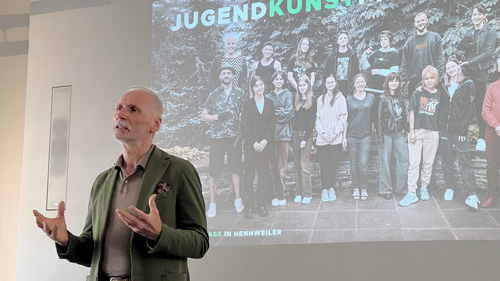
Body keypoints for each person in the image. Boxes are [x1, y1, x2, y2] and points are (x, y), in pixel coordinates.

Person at [33, 86, 209, 281]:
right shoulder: (102, 181)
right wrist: (65, 240)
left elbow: (199, 242)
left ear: (155, 124)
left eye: (133, 109)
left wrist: (160, 234)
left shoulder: (179, 170)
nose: (120, 114)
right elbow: (91, 251)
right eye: (119, 108)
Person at [202, 63, 247, 218]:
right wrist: (218, 117)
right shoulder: (213, 95)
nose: (226, 75)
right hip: (217, 138)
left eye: (229, 73)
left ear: (233, 76)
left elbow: (246, 114)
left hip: (234, 137)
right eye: (224, 73)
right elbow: (204, 116)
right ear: (220, 76)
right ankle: (213, 203)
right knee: (214, 171)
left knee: (236, 169)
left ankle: (238, 200)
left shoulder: (240, 93)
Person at [437, 57, 479, 209]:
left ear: (458, 67)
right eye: (448, 68)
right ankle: (450, 187)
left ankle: (472, 194)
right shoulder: (442, 84)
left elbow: (470, 108)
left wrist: (463, 128)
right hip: (444, 128)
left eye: (453, 66)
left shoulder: (468, 84)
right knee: (446, 158)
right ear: (445, 70)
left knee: (464, 159)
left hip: (460, 129)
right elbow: (426, 86)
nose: (451, 70)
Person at [400, 66, 441, 207]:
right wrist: (411, 130)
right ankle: (411, 192)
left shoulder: (440, 94)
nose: (429, 81)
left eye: (431, 78)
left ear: (436, 79)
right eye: (426, 78)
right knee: (414, 163)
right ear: (423, 80)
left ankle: (424, 187)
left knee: (428, 163)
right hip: (417, 131)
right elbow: (412, 112)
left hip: (433, 132)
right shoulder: (418, 92)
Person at [459, 3, 497, 152]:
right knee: (464, 104)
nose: (476, 17)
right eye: (474, 14)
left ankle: (482, 138)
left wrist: (471, 62)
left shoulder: (490, 31)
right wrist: (460, 60)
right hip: (467, 72)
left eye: (479, 14)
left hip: (480, 72)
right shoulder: (468, 32)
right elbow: (461, 49)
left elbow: (488, 53)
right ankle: (461, 135)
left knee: (481, 105)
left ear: (484, 16)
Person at [241, 75, 276, 218]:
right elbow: (244, 126)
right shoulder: (248, 105)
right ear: (253, 88)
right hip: (251, 147)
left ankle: (262, 204)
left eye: (261, 84)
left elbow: (272, 123)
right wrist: (254, 142)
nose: (259, 87)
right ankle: (248, 206)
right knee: (249, 176)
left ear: (264, 86)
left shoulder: (269, 103)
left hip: (265, 146)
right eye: (256, 85)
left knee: (263, 176)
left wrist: (265, 140)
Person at [316, 74, 347, 202]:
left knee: (332, 164)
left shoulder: (340, 98)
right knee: (324, 164)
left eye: (332, 82)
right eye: (327, 82)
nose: (330, 84)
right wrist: (322, 133)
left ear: (335, 83)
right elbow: (317, 118)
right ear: (325, 84)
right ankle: (324, 189)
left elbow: (343, 116)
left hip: (335, 138)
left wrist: (335, 134)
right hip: (323, 138)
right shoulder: (320, 99)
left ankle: (331, 188)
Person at [377, 73, 409, 199]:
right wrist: (380, 139)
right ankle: (385, 190)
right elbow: (379, 119)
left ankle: (400, 188)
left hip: (398, 133)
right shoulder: (382, 98)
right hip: (386, 134)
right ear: (387, 83)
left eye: (396, 80)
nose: (394, 83)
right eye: (391, 81)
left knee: (404, 159)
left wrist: (407, 129)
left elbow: (404, 115)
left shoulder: (401, 97)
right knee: (385, 161)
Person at [345, 74, 376, 201]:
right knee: (353, 164)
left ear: (365, 83)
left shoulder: (371, 98)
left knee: (363, 164)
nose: (360, 84)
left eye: (362, 82)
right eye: (357, 82)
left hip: (366, 136)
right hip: (352, 135)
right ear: (354, 84)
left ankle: (364, 188)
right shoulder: (349, 100)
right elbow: (345, 120)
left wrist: (373, 134)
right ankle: (356, 188)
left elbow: (373, 117)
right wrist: (344, 137)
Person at [266, 71, 295, 206]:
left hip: (284, 134)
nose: (278, 81)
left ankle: (281, 194)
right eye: (276, 79)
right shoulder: (268, 96)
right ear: (272, 81)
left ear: (283, 81)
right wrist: (279, 112)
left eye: (280, 79)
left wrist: (275, 114)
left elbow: (289, 113)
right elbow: (267, 115)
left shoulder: (288, 94)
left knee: (282, 166)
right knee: (271, 166)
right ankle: (274, 195)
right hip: (271, 135)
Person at [400, 12, 444, 97]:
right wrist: (406, 81)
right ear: (414, 24)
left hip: (431, 79)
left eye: (422, 20)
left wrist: (437, 77)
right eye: (418, 21)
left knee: (431, 108)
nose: (420, 23)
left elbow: (440, 59)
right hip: (414, 80)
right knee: (414, 108)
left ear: (427, 20)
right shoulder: (410, 42)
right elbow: (404, 62)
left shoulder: (435, 37)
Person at [292, 75, 317, 204]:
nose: (302, 87)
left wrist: (305, 138)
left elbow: (312, 121)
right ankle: (299, 192)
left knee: (304, 165)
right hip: (295, 134)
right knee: (296, 165)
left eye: (304, 85)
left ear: (308, 85)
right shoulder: (295, 100)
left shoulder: (312, 100)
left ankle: (308, 193)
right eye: (300, 85)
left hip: (306, 135)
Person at [481, 57, 500, 208]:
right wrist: (496, 125)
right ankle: (492, 195)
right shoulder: (492, 87)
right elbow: (485, 110)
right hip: (493, 132)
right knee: (492, 165)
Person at [360, 30, 400, 95]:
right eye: (381, 40)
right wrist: (365, 55)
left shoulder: (394, 54)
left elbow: (394, 72)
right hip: (371, 87)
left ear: (390, 40)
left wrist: (378, 71)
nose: (383, 41)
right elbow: (365, 67)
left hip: (384, 88)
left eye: (385, 39)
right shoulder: (376, 54)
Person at [324, 29, 360, 97]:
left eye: (345, 38)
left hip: (349, 88)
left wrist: (355, 87)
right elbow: (326, 73)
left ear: (348, 40)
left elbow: (357, 73)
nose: (343, 39)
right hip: (335, 87)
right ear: (337, 41)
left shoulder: (353, 55)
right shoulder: (332, 56)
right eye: (341, 38)